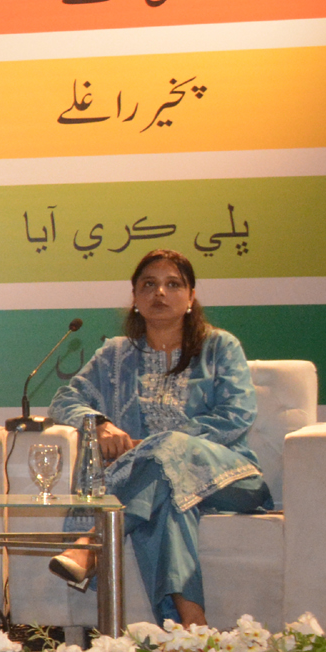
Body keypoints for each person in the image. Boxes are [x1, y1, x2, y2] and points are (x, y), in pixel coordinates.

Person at [47, 250, 269, 628]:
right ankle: (190, 624)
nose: (160, 293)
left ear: (191, 296)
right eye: (149, 284)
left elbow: (236, 415)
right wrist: (99, 423)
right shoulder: (116, 355)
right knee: (168, 498)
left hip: (231, 477)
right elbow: (64, 399)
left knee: (168, 451)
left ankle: (92, 542)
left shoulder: (220, 347)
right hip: (159, 485)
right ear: (135, 297)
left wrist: (159, 445)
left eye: (173, 284)